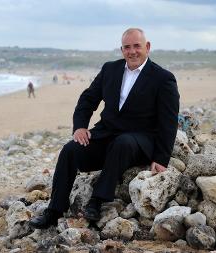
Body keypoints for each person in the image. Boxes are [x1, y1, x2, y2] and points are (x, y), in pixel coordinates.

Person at [29, 28, 180, 229]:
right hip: (106, 134)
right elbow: (88, 99)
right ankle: (54, 210)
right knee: (70, 150)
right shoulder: (110, 69)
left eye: (137, 46)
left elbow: (168, 121)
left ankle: (97, 201)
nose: (132, 51)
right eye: (127, 47)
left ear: (148, 47)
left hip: (140, 140)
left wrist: (161, 158)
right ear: (122, 50)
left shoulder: (163, 78)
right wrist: (80, 126)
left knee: (122, 142)